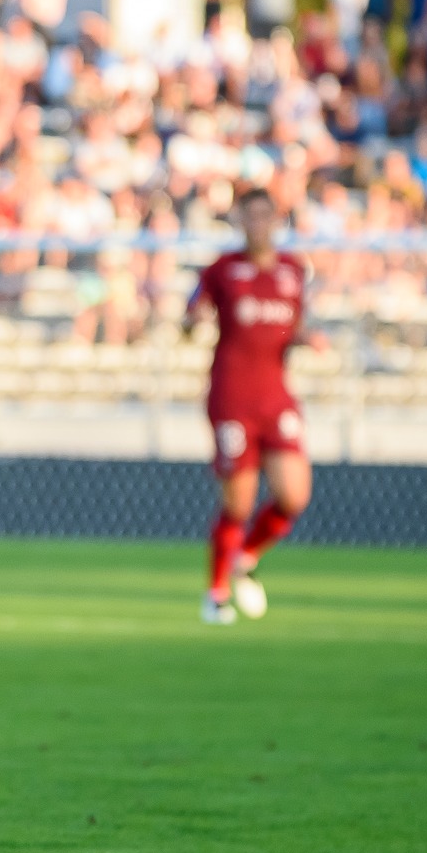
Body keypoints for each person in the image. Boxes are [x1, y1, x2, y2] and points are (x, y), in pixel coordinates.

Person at [183, 190, 312, 624]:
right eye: (250, 216)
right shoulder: (222, 270)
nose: (257, 224)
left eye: (265, 216)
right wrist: (192, 321)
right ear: (240, 220)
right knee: (238, 502)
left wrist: (306, 339)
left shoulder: (294, 271)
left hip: (276, 395)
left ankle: (247, 556)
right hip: (232, 396)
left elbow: (292, 329)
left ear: (277, 219)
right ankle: (216, 594)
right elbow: (191, 314)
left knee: (293, 495)